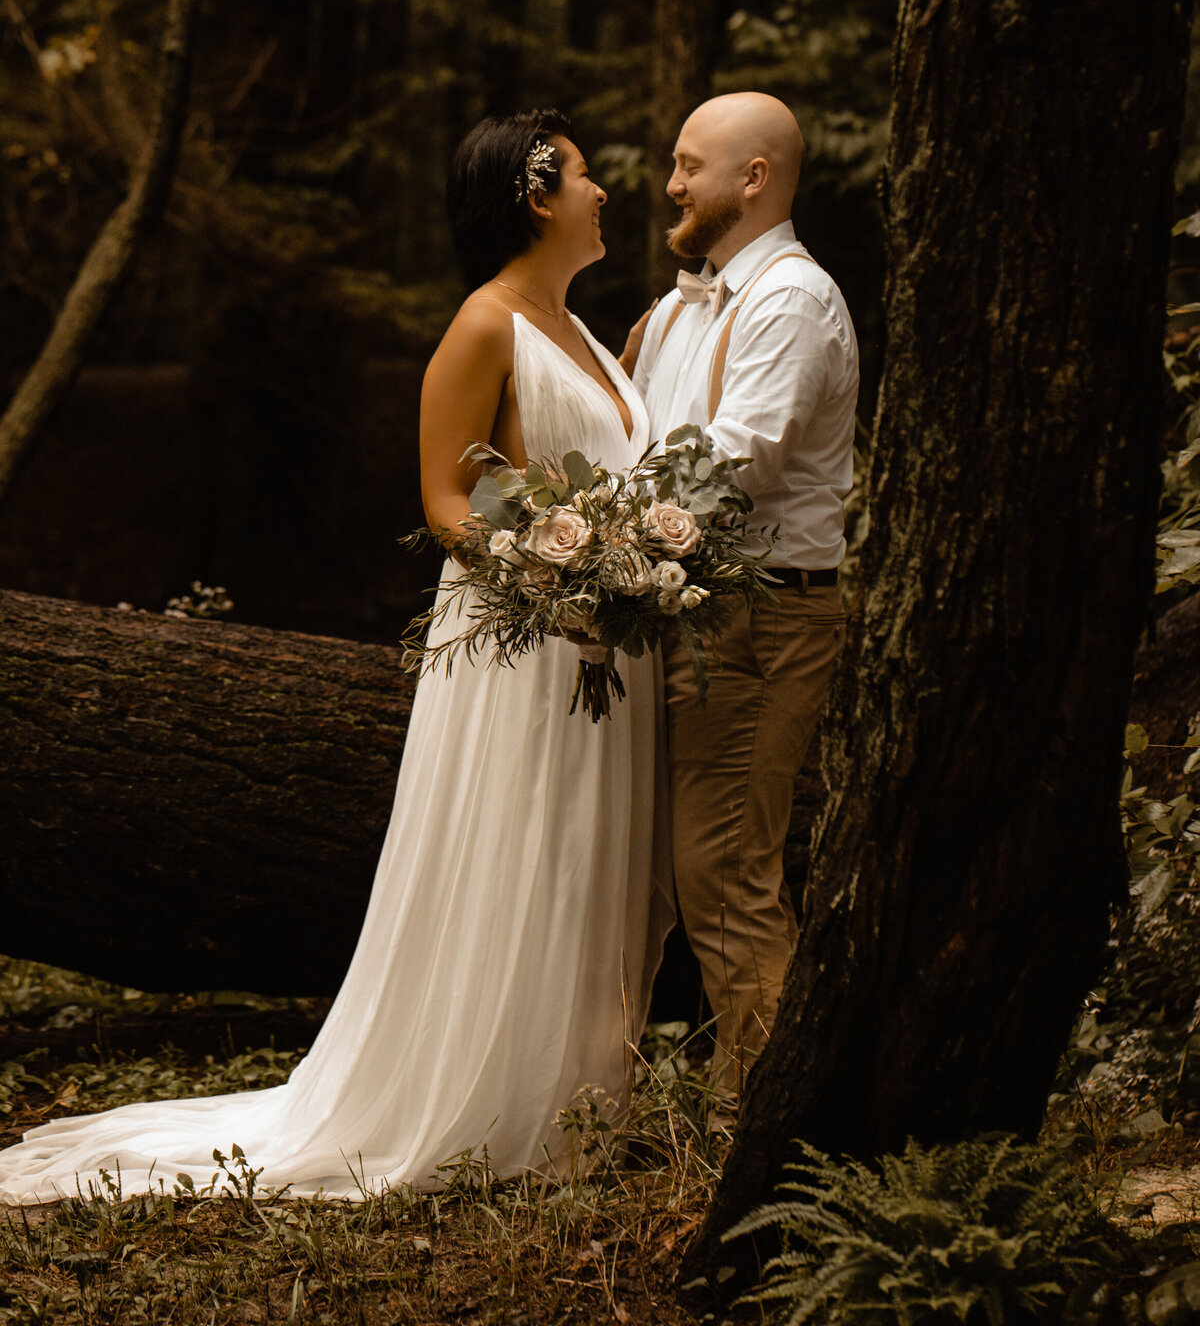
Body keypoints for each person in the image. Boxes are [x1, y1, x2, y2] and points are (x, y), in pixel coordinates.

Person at [0, 109, 672, 1205]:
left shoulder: (587, 334)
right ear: (537, 195)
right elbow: (447, 502)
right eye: (590, 179)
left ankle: (580, 1100)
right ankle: (482, 1099)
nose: (608, 196)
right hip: (524, 645)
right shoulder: (484, 327)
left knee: (589, 853)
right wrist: (554, 583)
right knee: (523, 849)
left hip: (604, 651)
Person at [626, 90, 858, 1095]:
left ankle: (767, 1118)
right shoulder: (688, 307)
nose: (671, 184)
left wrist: (598, 530)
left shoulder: (791, 301)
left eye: (689, 164)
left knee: (725, 868)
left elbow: (736, 465)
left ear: (752, 178)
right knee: (698, 865)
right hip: (699, 613)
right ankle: (748, 1097)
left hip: (768, 619)